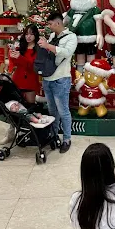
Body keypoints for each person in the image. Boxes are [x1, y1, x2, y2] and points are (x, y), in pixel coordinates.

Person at [39, 12, 78, 154]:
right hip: (47, 79)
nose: (49, 27)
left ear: (58, 23)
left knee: (63, 111)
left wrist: (47, 46)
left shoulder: (71, 37)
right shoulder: (51, 37)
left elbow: (66, 52)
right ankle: (54, 136)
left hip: (61, 79)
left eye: (50, 24)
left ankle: (67, 139)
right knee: (52, 111)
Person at [9, 24, 40, 104]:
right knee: (16, 107)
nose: (28, 37)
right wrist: (12, 56)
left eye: (31, 34)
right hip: (17, 80)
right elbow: (15, 64)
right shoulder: (21, 48)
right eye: (26, 34)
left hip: (30, 82)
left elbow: (33, 67)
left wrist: (20, 58)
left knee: (30, 107)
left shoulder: (38, 49)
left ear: (35, 35)